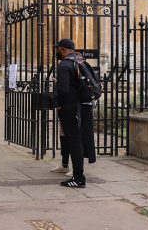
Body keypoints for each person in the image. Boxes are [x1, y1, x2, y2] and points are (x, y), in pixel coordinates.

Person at [54, 38, 86, 188]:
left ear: (64, 49)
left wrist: (59, 105)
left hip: (69, 109)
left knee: (74, 143)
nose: (57, 51)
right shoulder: (78, 61)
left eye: (58, 49)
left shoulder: (64, 65)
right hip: (78, 107)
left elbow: (63, 90)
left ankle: (78, 179)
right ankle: (78, 176)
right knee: (76, 141)